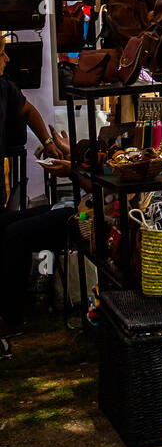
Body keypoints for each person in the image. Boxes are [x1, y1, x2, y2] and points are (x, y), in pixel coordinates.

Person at [0, 35, 75, 355]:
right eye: (2, 54)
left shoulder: (4, 88)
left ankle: (13, 314)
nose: (7, 60)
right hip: (75, 198)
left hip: (77, 206)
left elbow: (29, 111)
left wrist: (49, 144)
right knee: (8, 226)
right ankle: (10, 311)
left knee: (13, 231)